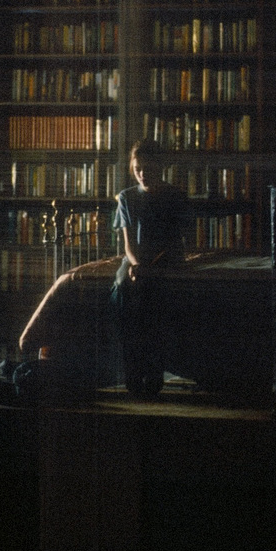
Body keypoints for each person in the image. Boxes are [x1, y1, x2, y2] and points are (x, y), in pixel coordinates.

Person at [111, 139, 187, 396]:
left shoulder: (175, 196)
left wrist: (150, 269)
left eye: (148, 168)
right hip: (136, 260)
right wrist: (136, 265)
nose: (143, 174)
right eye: (137, 169)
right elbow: (128, 245)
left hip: (165, 260)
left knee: (157, 296)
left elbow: (174, 242)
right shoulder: (127, 197)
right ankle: (132, 372)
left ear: (160, 167)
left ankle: (154, 373)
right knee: (122, 287)